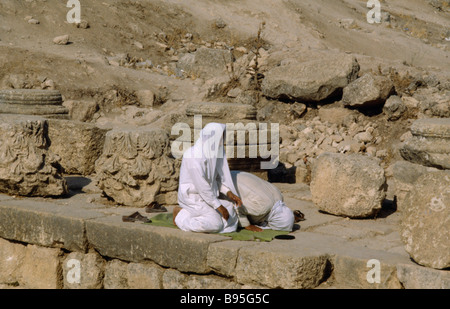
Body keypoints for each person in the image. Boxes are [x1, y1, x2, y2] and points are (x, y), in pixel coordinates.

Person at [173, 123, 243, 234]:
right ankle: (181, 216)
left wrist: (228, 192)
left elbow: (213, 180)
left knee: (230, 211)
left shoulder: (213, 153)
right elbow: (202, 186)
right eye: (220, 137)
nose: (222, 141)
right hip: (193, 198)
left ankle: (203, 216)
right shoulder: (193, 155)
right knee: (215, 224)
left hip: (208, 196)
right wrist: (219, 206)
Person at [229, 171, 303, 232]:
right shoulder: (261, 208)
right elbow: (237, 207)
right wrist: (247, 225)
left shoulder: (279, 197)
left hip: (233, 174)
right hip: (224, 183)